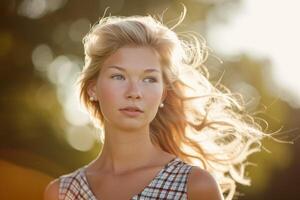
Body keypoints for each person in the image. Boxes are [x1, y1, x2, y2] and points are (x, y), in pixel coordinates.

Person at [44, 6, 266, 200]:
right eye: (118, 76)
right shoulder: (62, 193)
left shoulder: (194, 187)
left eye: (148, 79)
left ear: (162, 95)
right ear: (93, 88)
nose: (134, 92)